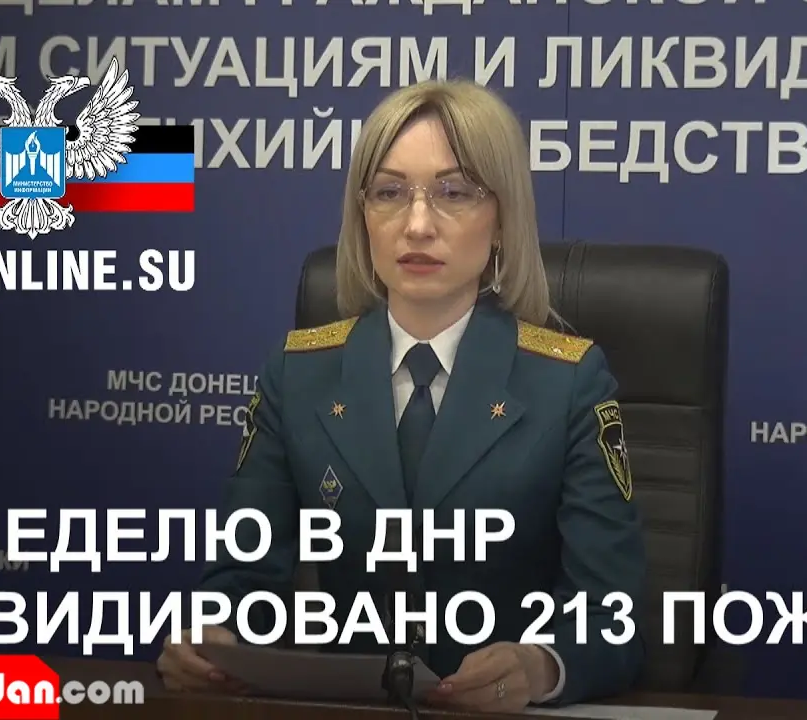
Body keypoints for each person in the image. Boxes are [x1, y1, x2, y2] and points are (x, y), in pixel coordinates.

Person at [157, 79, 647, 711]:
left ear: (502, 218)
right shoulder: (298, 374)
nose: (417, 225)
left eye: (455, 192)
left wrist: (539, 665)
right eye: (389, 193)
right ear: (362, 216)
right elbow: (242, 579)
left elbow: (612, 616)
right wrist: (213, 641)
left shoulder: (568, 382)